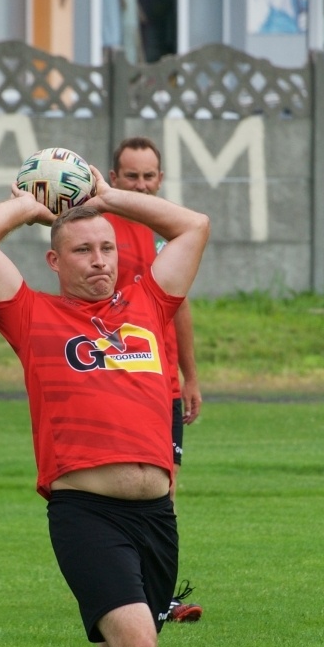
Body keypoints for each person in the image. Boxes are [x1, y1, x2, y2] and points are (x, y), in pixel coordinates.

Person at [0, 167, 210, 647]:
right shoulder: (32, 316)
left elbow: (193, 227)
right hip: (85, 515)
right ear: (54, 260)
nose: (99, 260)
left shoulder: (149, 303)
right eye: (81, 250)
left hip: (156, 517)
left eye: (106, 248)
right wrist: (29, 207)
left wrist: (109, 198)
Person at [108, 137, 202, 460]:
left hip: (165, 383)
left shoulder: (171, 232)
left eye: (148, 176)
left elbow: (180, 306)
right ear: (113, 178)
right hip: (114, 377)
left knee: (168, 478)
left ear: (160, 179)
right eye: (132, 176)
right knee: (118, 476)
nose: (141, 185)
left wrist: (190, 378)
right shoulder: (96, 229)